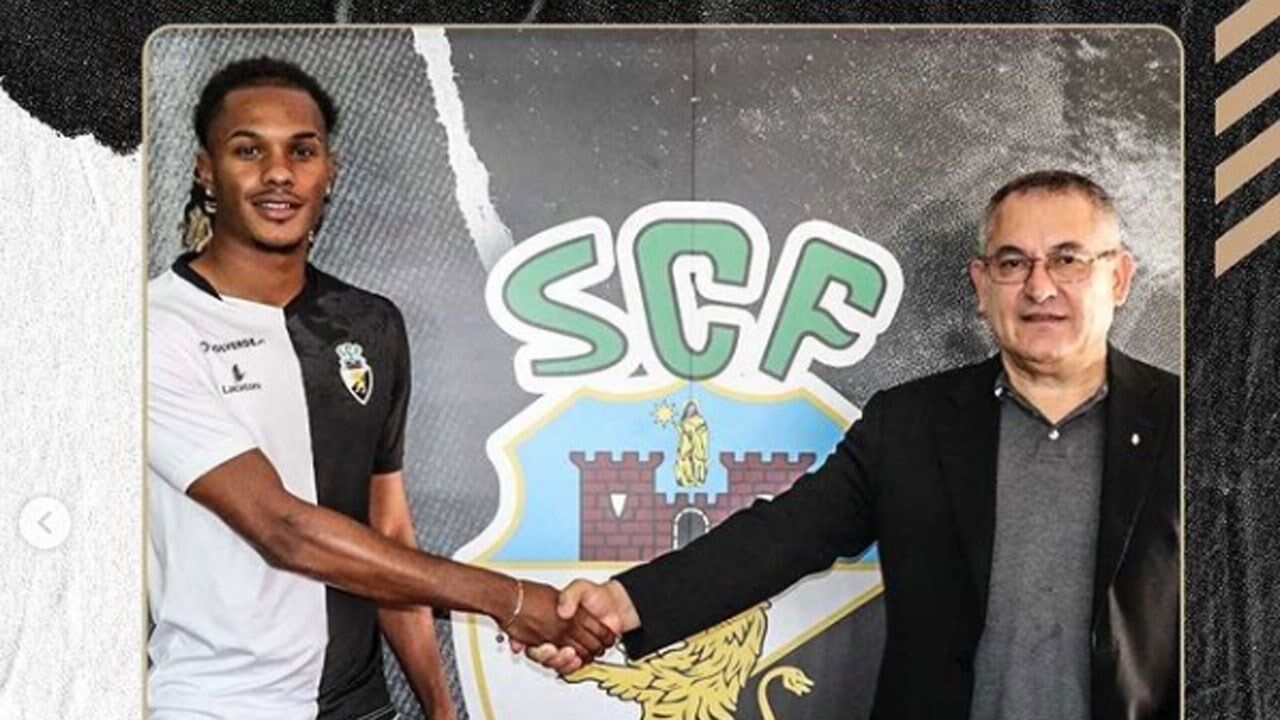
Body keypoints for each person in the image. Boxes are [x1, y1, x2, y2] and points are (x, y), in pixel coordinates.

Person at [530, 170, 1179, 720]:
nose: (1039, 287)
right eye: (1013, 263)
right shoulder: (910, 425)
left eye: (1068, 259)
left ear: (1119, 278)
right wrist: (622, 603)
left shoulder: (1190, 427)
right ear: (981, 287)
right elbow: (780, 537)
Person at [147, 57, 613, 720]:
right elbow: (284, 529)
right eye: (249, 150)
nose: (279, 173)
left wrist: (439, 709)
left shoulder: (369, 323)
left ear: (329, 171)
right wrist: (507, 600)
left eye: (302, 151)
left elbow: (389, 533)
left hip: (361, 707)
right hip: (220, 706)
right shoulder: (156, 327)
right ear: (205, 169)